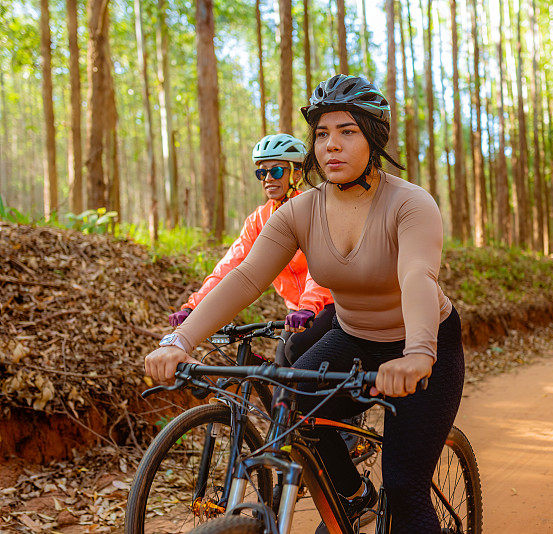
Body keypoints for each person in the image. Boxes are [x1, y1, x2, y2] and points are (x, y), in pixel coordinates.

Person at [144, 75, 464, 534]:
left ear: (374, 138)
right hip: (350, 335)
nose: (331, 145)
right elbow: (246, 276)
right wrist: (180, 339)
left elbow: (417, 277)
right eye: (321, 134)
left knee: (405, 486)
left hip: (423, 345)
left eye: (347, 132)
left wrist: (417, 353)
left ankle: (391, 499)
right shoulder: (300, 211)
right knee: (293, 408)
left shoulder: (410, 204)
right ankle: (353, 500)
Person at [166, 133, 334, 365]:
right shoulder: (259, 219)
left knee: (294, 351)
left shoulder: (312, 208)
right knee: (281, 370)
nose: (267, 178)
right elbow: (230, 265)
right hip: (298, 312)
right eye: (261, 173)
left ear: (296, 173)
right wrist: (194, 306)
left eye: (276, 171)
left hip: (329, 304)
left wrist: (308, 306)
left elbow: (322, 267)